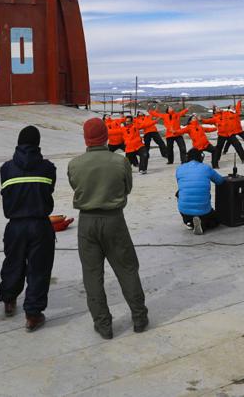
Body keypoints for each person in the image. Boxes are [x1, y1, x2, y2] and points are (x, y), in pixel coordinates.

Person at [67, 118, 148, 339]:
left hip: (87, 222)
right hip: (114, 220)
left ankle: (103, 324)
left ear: (86, 138)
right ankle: (139, 317)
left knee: (92, 275)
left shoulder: (74, 164)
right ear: (106, 136)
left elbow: (75, 186)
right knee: (127, 268)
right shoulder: (119, 162)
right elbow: (127, 188)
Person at [0, 125, 56, 332]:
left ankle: (9, 300)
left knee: (13, 263)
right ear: (38, 144)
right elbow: (49, 190)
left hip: (15, 225)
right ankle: (33, 314)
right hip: (40, 224)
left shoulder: (6, 168)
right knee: (39, 269)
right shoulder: (48, 168)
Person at [175, 148, 225, 234]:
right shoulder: (206, 168)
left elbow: (181, 185)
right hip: (204, 210)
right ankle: (203, 223)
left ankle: (189, 221)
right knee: (216, 221)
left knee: (179, 193)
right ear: (201, 158)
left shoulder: (180, 169)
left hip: (185, 210)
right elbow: (220, 181)